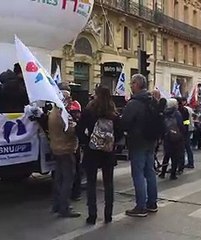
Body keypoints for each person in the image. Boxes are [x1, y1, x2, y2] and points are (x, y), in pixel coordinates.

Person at [76, 85, 123, 224]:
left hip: (92, 151)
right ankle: (108, 215)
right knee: (108, 183)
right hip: (108, 152)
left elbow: (79, 130)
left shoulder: (89, 111)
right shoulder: (113, 114)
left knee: (91, 184)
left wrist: (87, 141)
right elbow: (120, 133)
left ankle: (92, 215)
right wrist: (112, 143)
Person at [121, 74, 158, 217]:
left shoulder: (134, 103)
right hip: (151, 141)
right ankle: (152, 203)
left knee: (138, 174)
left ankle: (141, 206)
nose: (131, 86)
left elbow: (125, 123)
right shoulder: (152, 100)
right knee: (150, 172)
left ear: (137, 84)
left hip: (137, 142)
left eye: (132, 83)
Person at [48, 91, 81, 218]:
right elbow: (69, 131)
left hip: (57, 148)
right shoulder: (63, 114)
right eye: (68, 98)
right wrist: (76, 126)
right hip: (66, 149)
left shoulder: (53, 112)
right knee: (67, 179)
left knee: (59, 178)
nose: (71, 100)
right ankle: (64, 207)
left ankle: (57, 204)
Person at [159, 98, 184, 180]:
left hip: (167, 136)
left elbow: (162, 124)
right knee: (175, 156)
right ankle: (173, 174)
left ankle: (163, 172)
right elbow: (181, 124)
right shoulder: (177, 113)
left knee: (167, 155)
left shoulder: (165, 112)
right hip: (176, 137)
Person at [178, 97, 195, 170]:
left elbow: (186, 121)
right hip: (189, 128)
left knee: (186, 146)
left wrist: (184, 127)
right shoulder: (189, 109)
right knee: (187, 146)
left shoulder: (185, 109)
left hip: (187, 129)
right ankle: (190, 162)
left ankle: (190, 163)